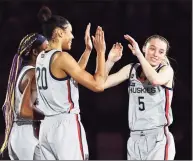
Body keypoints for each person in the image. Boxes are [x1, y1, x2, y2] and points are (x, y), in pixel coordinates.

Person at [35, 6, 108, 160]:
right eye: (70, 32)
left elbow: (69, 76)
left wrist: (88, 51)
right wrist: (100, 52)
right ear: (60, 33)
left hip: (46, 127)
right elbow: (98, 85)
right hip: (65, 126)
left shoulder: (42, 56)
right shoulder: (62, 58)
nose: (73, 36)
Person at [104, 34, 175, 160]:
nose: (156, 54)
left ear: (164, 55)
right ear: (144, 48)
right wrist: (110, 61)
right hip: (135, 138)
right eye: (152, 48)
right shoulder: (131, 69)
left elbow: (155, 80)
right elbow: (101, 84)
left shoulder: (166, 70)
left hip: (158, 138)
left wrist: (139, 55)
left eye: (161, 51)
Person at [0, 33, 48, 160]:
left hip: (18, 134)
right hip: (28, 135)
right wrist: (52, 116)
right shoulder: (32, 73)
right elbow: (25, 111)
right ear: (35, 52)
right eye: (46, 50)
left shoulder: (22, 71)